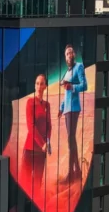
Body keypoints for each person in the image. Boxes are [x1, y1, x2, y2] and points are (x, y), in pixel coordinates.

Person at [58, 44, 87, 184]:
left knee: (71, 139)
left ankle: (71, 173)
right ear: (65, 58)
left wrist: (72, 86)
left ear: (74, 54)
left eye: (71, 52)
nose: (69, 55)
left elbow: (84, 85)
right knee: (71, 140)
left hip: (74, 108)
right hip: (67, 110)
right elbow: (65, 94)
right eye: (67, 53)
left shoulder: (79, 67)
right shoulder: (67, 73)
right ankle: (77, 172)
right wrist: (60, 107)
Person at [22, 73, 52, 189]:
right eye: (37, 84)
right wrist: (43, 143)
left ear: (45, 86)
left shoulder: (47, 105)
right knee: (25, 182)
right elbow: (31, 126)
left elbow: (49, 126)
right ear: (35, 86)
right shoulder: (30, 102)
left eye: (42, 84)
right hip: (30, 149)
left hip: (42, 151)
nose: (39, 86)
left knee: (37, 182)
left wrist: (48, 142)